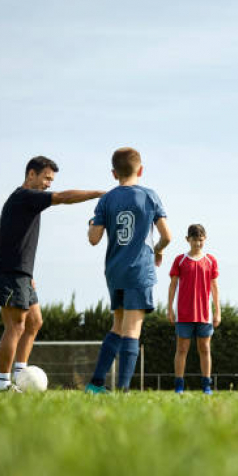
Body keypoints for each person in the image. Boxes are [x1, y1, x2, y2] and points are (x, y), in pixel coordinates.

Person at [0, 156, 104, 392]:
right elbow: (63, 198)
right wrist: (99, 193)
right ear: (31, 174)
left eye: (51, 180)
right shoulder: (24, 196)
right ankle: (2, 385)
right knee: (16, 325)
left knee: (34, 321)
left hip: (22, 273)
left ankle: (21, 375)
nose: (48, 184)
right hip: (11, 272)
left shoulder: (27, 200)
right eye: (46, 178)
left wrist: (28, 273)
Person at [85, 147, 171, 394]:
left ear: (114, 174)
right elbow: (167, 236)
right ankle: (123, 390)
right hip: (139, 270)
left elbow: (94, 239)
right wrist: (159, 250)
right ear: (141, 169)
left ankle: (96, 384)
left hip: (114, 270)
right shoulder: (150, 196)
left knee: (118, 325)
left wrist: (92, 223)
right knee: (132, 329)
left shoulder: (107, 199)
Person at [167, 224, 221, 394]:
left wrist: (217, 311)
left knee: (205, 349)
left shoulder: (210, 260)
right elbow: (173, 285)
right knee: (181, 349)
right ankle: (179, 386)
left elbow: (215, 288)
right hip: (183, 313)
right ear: (187, 240)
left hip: (205, 314)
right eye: (194, 240)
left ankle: (206, 385)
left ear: (204, 239)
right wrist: (170, 308)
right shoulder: (180, 260)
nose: (197, 244)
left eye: (200, 240)